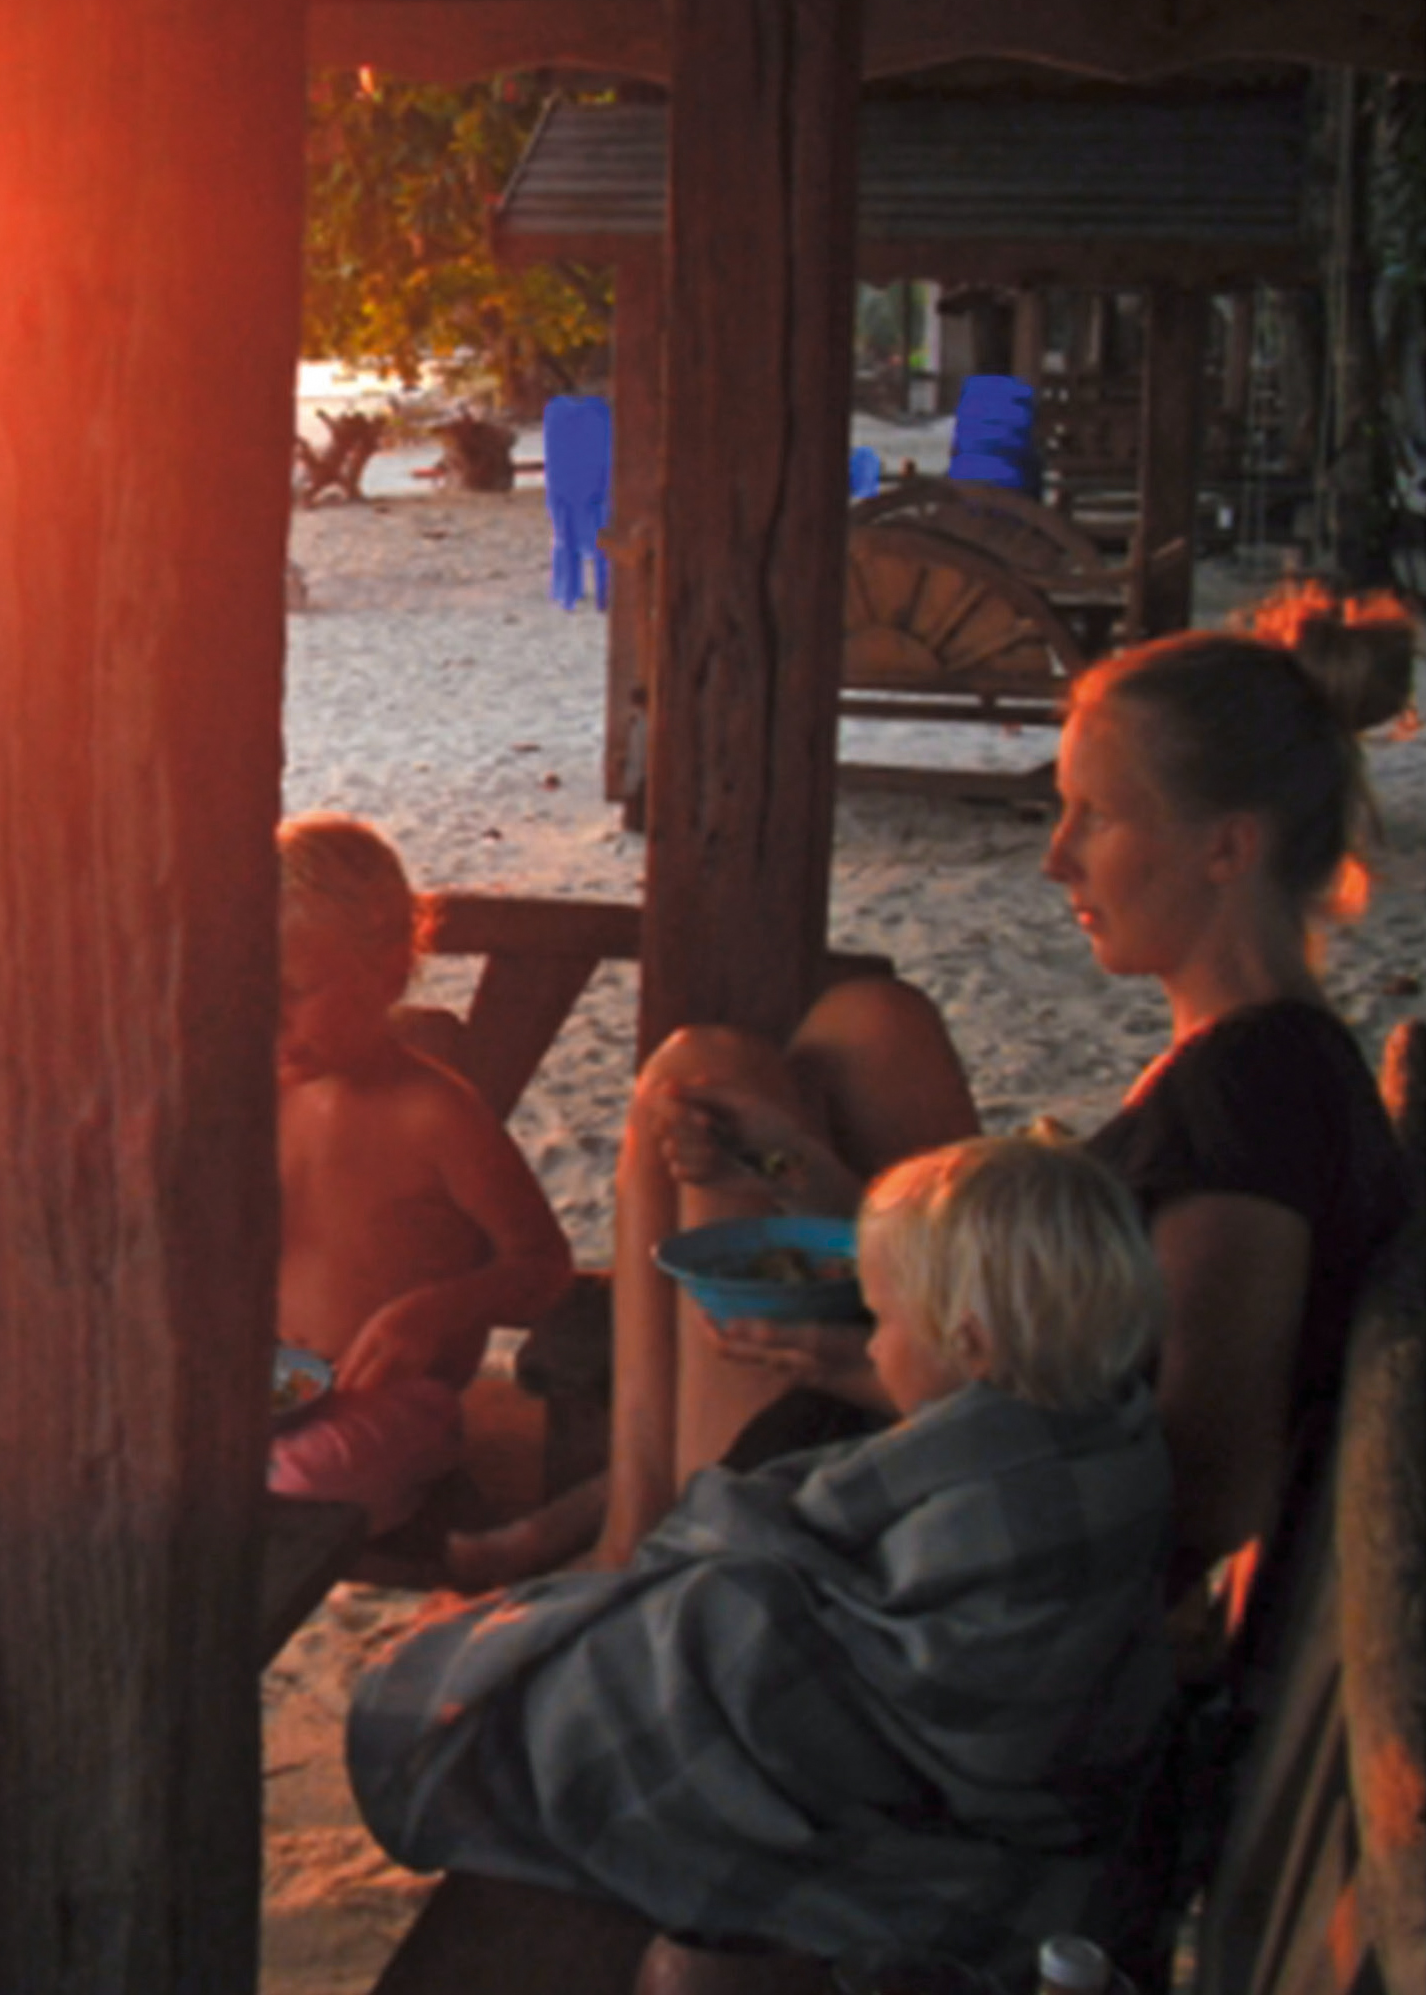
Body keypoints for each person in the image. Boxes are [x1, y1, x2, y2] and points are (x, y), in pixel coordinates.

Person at [456, 614, 1413, 1616]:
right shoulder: (1259, 1064)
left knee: (707, 1064)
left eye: (1097, 816)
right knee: (868, 1027)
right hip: (944, 1480)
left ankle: (635, 1542)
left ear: (1226, 846)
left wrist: (871, 1371)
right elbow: (1071, 1337)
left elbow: (1192, 1492)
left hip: (920, 1569)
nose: (1057, 859)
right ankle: (627, 1522)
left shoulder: (1249, 1102)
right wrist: (806, 1175)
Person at [349, 1136, 1179, 1977]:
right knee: (678, 1607)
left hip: (937, 1796)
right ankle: (506, 1661)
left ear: (968, 1344)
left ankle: (463, 1712)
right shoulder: (1100, 1428)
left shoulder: (1018, 1499)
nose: (875, 1347)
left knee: (675, 1641)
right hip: (1029, 1776)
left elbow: (874, 1674)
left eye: (882, 1321)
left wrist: (744, 1579)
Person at [267, 815, 573, 1535]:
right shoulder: (260, 1098)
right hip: (270, 1390)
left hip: (394, 1403)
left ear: (388, 971)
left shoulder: (433, 1115)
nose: (267, 1017)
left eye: (294, 991)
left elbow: (543, 1269)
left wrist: (434, 1310)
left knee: (304, 1478)